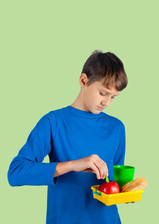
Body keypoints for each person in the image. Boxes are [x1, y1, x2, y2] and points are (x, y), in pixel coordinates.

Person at [7, 50, 128, 224]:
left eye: (113, 97)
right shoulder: (53, 122)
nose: (106, 102)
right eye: (102, 93)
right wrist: (72, 165)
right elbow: (15, 173)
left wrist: (125, 193)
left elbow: (114, 181)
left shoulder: (117, 128)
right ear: (83, 80)